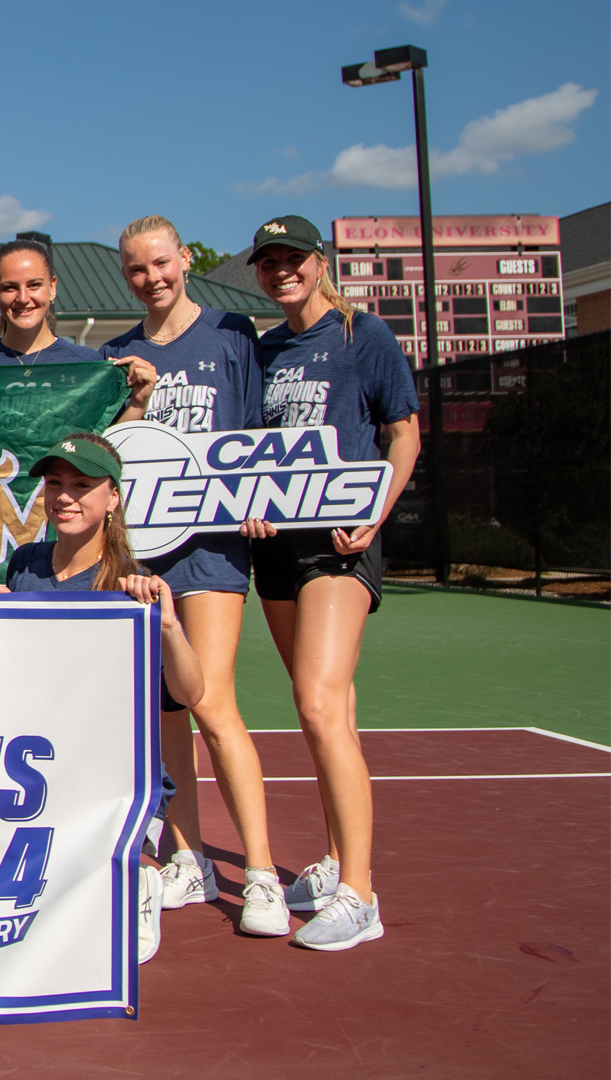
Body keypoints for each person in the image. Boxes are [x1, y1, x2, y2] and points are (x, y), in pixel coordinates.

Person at [100, 215, 285, 936]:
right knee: (163, 711)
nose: (152, 278)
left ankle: (263, 873)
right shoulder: (119, 355)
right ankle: (190, 854)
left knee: (210, 701)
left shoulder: (233, 334)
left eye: (161, 263)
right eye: (138, 270)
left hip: (210, 551)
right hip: (143, 555)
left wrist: (263, 499)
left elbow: (262, 437)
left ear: (184, 259)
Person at [242, 214, 419, 952]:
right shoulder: (265, 350)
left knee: (317, 704)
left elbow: (402, 431)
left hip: (342, 545)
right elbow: (249, 450)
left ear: (321, 263)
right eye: (269, 262)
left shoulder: (363, 335)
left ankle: (362, 895)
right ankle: (338, 857)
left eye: (294, 259)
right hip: (278, 549)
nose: (282, 271)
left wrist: (375, 515)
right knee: (327, 711)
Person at [0, 433, 205, 964]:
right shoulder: (25, 565)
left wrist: (168, 626)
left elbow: (190, 693)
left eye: (82, 485)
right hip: (37, 764)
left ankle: (141, 878)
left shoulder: (133, 583)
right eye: (55, 484)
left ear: (113, 497)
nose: (65, 496)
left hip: (111, 777)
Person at [0, 239, 107, 368]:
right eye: (10, 287)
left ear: (52, 287)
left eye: (34, 285)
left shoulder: (87, 363)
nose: (23, 298)